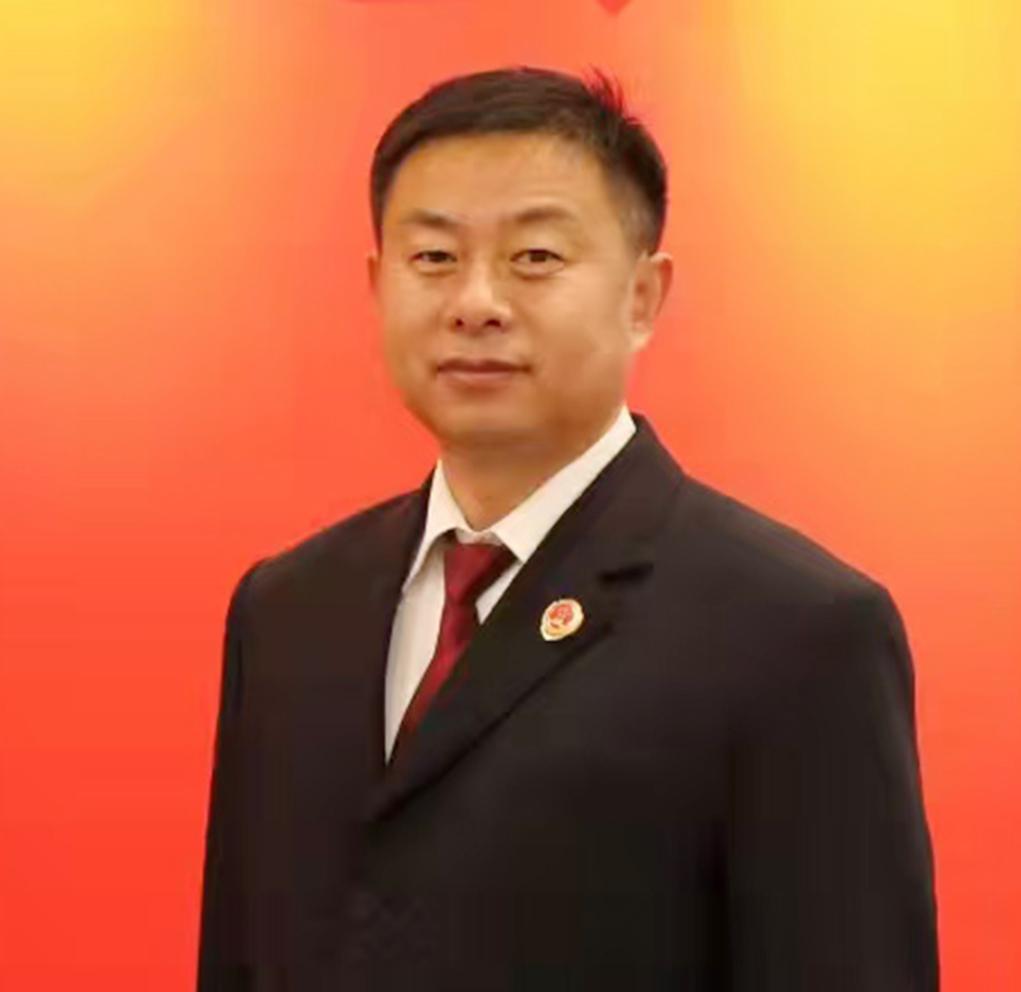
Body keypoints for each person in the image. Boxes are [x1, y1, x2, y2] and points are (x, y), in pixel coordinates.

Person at [196, 65, 939, 990]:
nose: (475, 302)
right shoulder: (286, 610)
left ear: (642, 296)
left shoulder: (797, 632)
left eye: (535, 257)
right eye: (433, 258)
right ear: (377, 284)